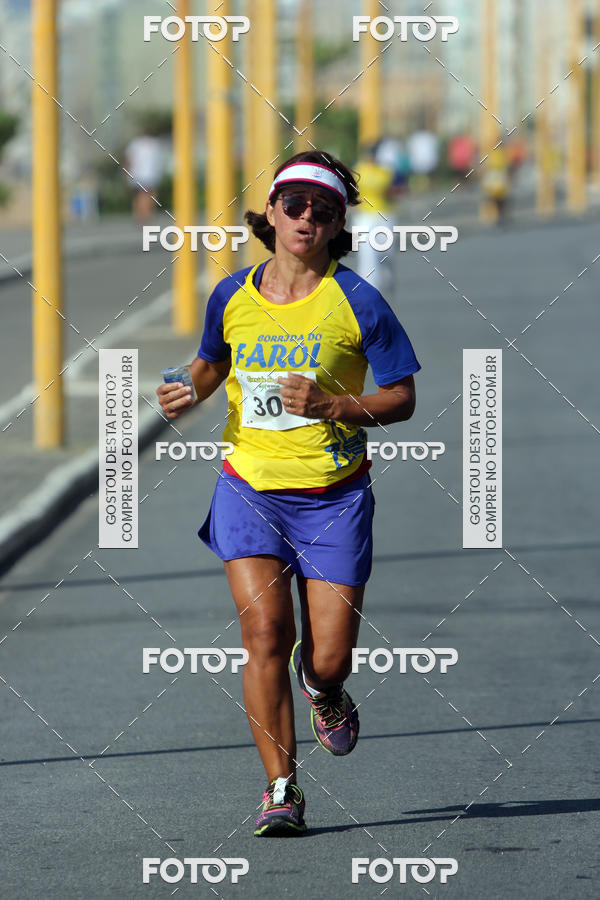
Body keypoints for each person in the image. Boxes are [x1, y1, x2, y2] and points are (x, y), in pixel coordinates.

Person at [156, 150, 421, 836]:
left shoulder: (358, 300)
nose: (307, 218)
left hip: (333, 497)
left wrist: (335, 406)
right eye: (294, 204)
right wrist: (185, 388)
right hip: (249, 489)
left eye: (323, 210)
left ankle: (325, 688)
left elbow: (403, 398)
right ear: (270, 213)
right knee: (264, 634)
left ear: (338, 226)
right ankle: (281, 787)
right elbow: (212, 363)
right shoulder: (232, 296)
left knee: (327, 655)